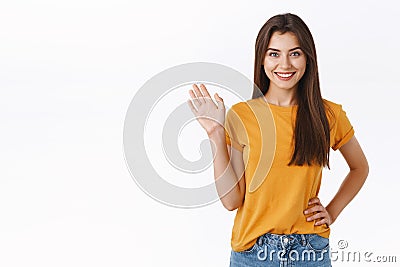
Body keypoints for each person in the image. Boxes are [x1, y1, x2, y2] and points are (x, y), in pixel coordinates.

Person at [187, 13, 369, 267]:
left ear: (308, 58)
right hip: (252, 253)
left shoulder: (328, 115)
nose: (284, 64)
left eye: (295, 53)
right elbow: (231, 202)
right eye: (274, 54)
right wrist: (216, 134)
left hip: (309, 251)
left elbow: (360, 168)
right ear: (262, 59)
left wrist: (332, 211)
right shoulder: (242, 115)